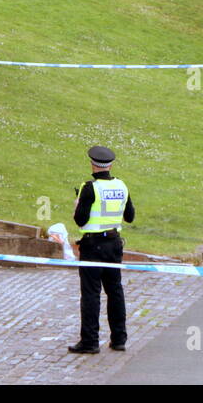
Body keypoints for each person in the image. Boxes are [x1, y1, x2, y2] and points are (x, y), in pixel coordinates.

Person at [68, 144, 135, 354]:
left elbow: (80, 220)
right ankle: (119, 339)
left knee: (91, 293)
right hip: (114, 244)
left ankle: (89, 341)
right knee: (115, 291)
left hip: (93, 245)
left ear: (92, 164)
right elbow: (130, 216)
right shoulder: (122, 186)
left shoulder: (90, 187)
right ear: (111, 165)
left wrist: (77, 204)